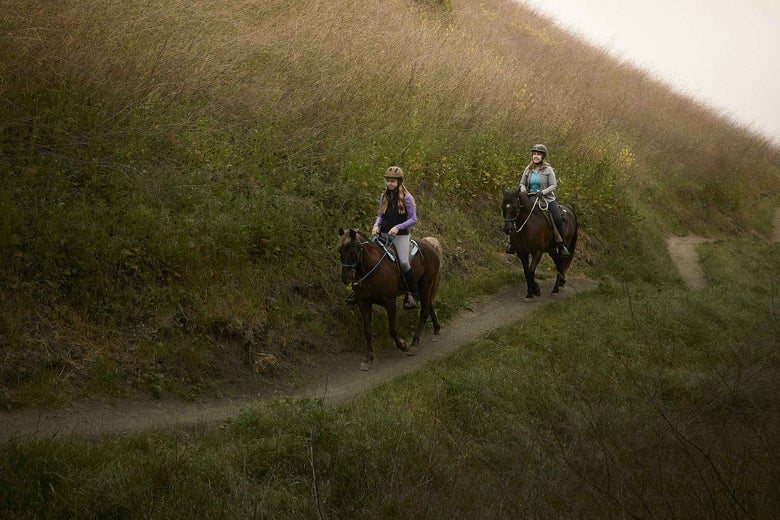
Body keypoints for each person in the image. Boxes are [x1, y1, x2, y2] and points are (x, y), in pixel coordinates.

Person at [505, 144, 571, 258]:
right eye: (534, 154)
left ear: (543, 156)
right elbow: (522, 183)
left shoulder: (548, 170)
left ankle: (562, 246)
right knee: (517, 215)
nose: (536, 156)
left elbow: (553, 185)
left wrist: (543, 192)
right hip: (529, 199)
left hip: (546, 200)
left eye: (538, 154)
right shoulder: (528, 169)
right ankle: (513, 244)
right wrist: (523, 190)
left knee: (558, 218)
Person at [372, 166, 420, 309]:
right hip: (383, 234)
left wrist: (398, 227)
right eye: (388, 181)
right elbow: (380, 215)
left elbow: (414, 219)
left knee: (404, 263)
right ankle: (360, 290)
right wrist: (376, 225)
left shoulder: (407, 198)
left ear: (399, 182)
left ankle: (413, 295)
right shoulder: (384, 196)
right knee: (366, 253)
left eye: (393, 181)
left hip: (400, 237)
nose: (390, 184)